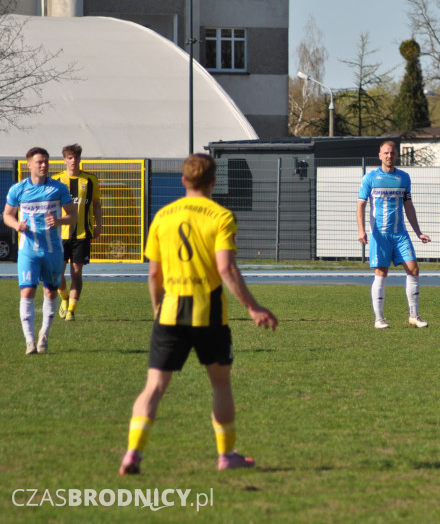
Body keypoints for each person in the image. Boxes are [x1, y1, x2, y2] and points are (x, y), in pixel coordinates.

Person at [118, 154, 278, 476]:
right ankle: (226, 454)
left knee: (154, 387)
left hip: (170, 312)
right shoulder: (220, 216)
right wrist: (253, 307)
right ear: (213, 182)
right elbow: (225, 268)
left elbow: (153, 274)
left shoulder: (162, 216)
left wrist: (157, 307)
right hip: (210, 315)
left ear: (183, 181)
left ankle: (133, 452)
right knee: (220, 385)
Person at [3, 148, 77, 355]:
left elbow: (74, 216)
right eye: (39, 162)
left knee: (50, 291)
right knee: (27, 291)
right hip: (28, 250)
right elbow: (7, 215)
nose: (44, 165)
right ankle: (29, 341)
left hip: (53, 249)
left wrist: (60, 220)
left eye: (46, 162)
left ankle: (44, 334)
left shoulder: (58, 189)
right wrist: (17, 225)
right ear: (29, 165)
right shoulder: (18, 189)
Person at [356, 140, 431, 329]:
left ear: (397, 155)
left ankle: (414, 316)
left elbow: (408, 205)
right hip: (379, 235)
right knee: (381, 272)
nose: (389, 156)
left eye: (392, 153)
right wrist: (361, 229)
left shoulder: (404, 178)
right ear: (380, 155)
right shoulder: (370, 178)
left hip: (400, 234)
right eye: (386, 153)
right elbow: (361, 204)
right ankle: (379, 319)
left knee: (413, 269)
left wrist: (418, 232)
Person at [54, 143, 102, 322]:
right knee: (57, 273)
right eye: (70, 158)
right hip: (60, 235)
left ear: (80, 159)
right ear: (65, 160)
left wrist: (99, 224)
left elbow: (96, 204)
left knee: (76, 273)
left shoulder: (90, 180)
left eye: (76, 157)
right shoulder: (56, 181)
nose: (73, 161)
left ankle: (71, 311)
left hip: (82, 234)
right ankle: (65, 299)